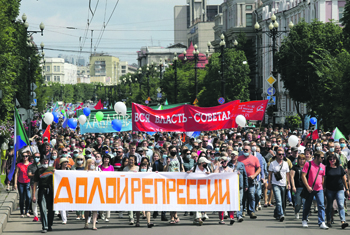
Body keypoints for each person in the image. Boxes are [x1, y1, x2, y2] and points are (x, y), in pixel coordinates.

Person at [301, 151, 328, 229]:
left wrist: (322, 186)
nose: (323, 159)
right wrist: (307, 187)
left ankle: (321, 222)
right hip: (310, 188)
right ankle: (304, 219)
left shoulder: (323, 166)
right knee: (307, 205)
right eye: (322, 157)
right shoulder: (308, 164)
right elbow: (303, 176)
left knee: (321, 205)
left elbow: (323, 177)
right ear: (316, 157)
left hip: (319, 189)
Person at [324, 153, 349, 229]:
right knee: (329, 206)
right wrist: (323, 188)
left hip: (339, 189)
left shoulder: (340, 168)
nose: (332, 160)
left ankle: (343, 221)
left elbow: (344, 179)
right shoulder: (327, 168)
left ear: (336, 160)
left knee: (341, 205)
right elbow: (324, 179)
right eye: (330, 159)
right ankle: (328, 221)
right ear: (328, 161)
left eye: (333, 159)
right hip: (329, 189)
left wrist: (347, 189)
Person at [268, 147, 290, 222]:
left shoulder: (286, 163)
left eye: (282, 154)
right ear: (276, 155)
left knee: (282, 201)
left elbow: (288, 175)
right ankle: (281, 214)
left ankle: (276, 213)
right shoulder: (272, 163)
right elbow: (270, 174)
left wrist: (289, 183)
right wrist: (269, 183)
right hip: (275, 184)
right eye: (279, 154)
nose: (281, 156)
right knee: (278, 200)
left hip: (283, 184)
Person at [237, 146, 261, 219]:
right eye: (244, 150)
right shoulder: (239, 158)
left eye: (246, 150)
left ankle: (251, 211)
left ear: (250, 150)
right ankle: (243, 211)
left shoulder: (255, 158)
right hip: (242, 181)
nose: (245, 151)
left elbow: (259, 169)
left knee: (251, 195)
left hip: (251, 180)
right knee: (243, 197)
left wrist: (254, 175)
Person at [32, 156, 54, 233]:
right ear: (41, 162)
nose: (45, 162)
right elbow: (35, 183)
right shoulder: (38, 171)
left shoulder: (52, 169)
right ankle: (45, 226)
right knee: (43, 208)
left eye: (46, 161)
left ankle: (50, 225)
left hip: (51, 190)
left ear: (48, 162)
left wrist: (56, 172)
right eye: (44, 161)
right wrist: (34, 195)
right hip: (42, 190)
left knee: (51, 209)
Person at [187, 157, 211, 225]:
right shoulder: (194, 168)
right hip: (195, 188)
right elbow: (190, 174)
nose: (206, 164)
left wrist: (209, 173)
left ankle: (198, 217)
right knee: (196, 202)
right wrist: (188, 173)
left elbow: (211, 175)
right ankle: (198, 218)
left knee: (202, 202)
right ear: (201, 163)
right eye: (205, 163)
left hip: (204, 188)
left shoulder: (207, 168)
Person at [164, 145, 184, 224]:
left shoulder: (179, 158)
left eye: (175, 150)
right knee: (170, 199)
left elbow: (181, 168)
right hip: (169, 181)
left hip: (178, 181)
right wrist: (167, 164)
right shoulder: (166, 158)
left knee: (175, 199)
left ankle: (175, 214)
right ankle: (172, 216)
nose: (173, 151)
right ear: (169, 151)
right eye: (172, 150)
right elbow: (164, 170)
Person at [214, 156, 235, 225]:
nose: (224, 163)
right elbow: (214, 174)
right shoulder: (219, 169)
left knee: (230, 203)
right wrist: (218, 165)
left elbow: (232, 176)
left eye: (225, 161)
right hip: (220, 188)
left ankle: (231, 218)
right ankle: (221, 219)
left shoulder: (230, 169)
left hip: (228, 188)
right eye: (222, 162)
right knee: (221, 204)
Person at [228, 150, 248, 222]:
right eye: (232, 155)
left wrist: (246, 185)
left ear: (237, 156)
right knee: (232, 201)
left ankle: (239, 215)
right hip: (231, 186)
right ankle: (231, 215)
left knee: (240, 201)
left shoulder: (241, 164)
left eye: (235, 155)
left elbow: (245, 175)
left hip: (240, 185)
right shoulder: (228, 164)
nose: (233, 156)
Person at [14, 150, 32, 218]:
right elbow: (16, 174)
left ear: (28, 157)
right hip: (20, 182)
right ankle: (22, 212)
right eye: (23, 156)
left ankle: (27, 211)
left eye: (26, 156)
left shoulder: (30, 164)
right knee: (21, 197)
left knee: (28, 197)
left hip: (28, 182)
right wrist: (15, 183)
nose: (25, 157)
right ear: (22, 157)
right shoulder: (19, 164)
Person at [123, 155, 139, 225]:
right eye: (130, 160)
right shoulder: (125, 169)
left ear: (135, 161)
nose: (131, 161)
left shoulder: (138, 168)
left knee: (137, 205)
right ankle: (131, 218)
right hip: (128, 188)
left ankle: (137, 220)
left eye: (132, 160)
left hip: (137, 188)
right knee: (129, 204)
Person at [290, 154, 307, 219]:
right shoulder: (295, 167)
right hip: (298, 187)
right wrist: (293, 186)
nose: (302, 161)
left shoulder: (307, 167)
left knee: (305, 203)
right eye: (300, 159)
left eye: (303, 159)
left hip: (305, 187)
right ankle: (296, 211)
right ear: (298, 160)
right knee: (298, 203)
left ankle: (305, 216)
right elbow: (292, 177)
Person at [84, 159, 98, 230]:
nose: (93, 165)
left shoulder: (97, 172)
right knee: (87, 209)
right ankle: (86, 222)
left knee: (95, 209)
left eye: (93, 163)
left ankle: (94, 224)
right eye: (91, 163)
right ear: (88, 164)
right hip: (87, 191)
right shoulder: (84, 172)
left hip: (95, 191)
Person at [98, 154, 113, 222]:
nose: (106, 160)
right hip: (101, 185)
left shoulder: (111, 167)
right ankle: (101, 214)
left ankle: (107, 216)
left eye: (107, 159)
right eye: (105, 158)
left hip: (109, 185)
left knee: (108, 201)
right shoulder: (99, 167)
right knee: (101, 201)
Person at [27, 152, 41, 222]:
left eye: (38, 157)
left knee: (41, 201)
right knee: (34, 201)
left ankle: (42, 215)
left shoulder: (42, 166)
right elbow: (29, 175)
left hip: (41, 185)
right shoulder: (30, 166)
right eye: (35, 157)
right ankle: (35, 216)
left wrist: (34, 175)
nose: (37, 158)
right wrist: (37, 175)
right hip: (33, 185)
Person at [58, 157, 69, 224]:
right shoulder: (58, 171)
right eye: (65, 162)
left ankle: (66, 215)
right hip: (60, 189)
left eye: (67, 162)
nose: (66, 163)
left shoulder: (69, 170)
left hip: (68, 189)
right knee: (62, 205)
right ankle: (64, 219)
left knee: (67, 205)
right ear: (61, 163)